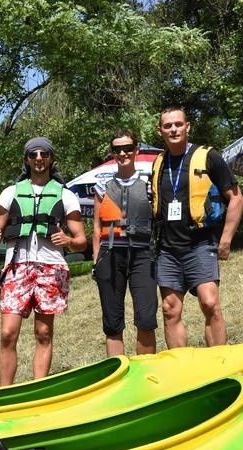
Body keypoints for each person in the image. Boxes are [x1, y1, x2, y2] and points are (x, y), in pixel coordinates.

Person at [0, 137, 87, 385]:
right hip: (16, 266)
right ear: (27, 160)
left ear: (51, 159)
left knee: (43, 333)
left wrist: (67, 240)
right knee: (8, 334)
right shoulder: (11, 193)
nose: (39, 159)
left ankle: (37, 388)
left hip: (50, 267)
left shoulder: (65, 195)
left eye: (44, 154)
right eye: (33, 155)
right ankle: (4, 392)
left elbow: (82, 241)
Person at [152, 106, 243, 348]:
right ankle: (181, 368)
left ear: (187, 126)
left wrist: (225, 240)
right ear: (160, 131)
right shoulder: (158, 163)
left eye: (178, 124)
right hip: (168, 249)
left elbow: (237, 199)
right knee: (170, 310)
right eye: (167, 126)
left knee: (209, 303)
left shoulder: (208, 157)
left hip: (201, 244)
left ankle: (219, 363)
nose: (173, 129)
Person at [92, 129, 157, 356]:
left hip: (142, 254)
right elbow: (97, 228)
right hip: (111, 254)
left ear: (136, 150)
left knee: (147, 318)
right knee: (112, 321)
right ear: (112, 153)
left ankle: (148, 371)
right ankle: (117, 376)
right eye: (117, 149)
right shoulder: (101, 187)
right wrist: (96, 260)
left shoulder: (149, 184)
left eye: (128, 148)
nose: (123, 153)